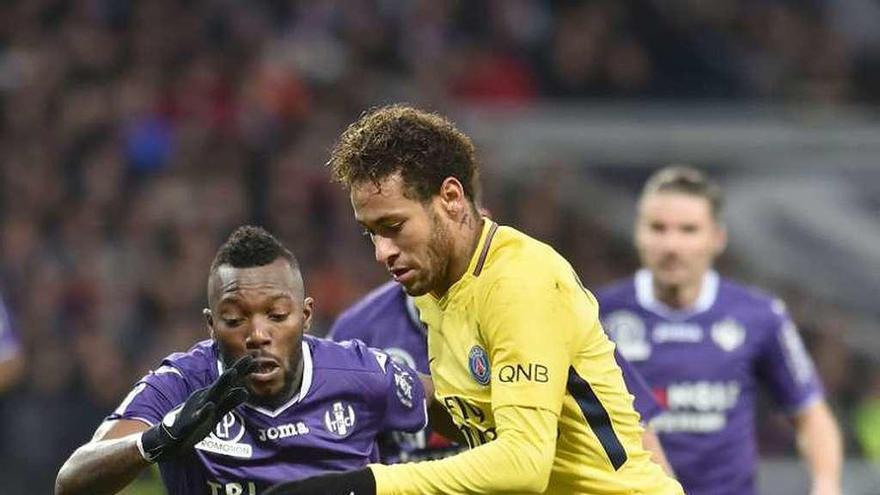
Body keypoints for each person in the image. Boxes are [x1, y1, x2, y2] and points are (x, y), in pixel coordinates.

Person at [265, 105, 683, 494]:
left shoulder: (519, 284)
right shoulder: (439, 286)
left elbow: (523, 464)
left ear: (450, 198)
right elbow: (479, 419)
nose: (382, 252)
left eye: (394, 226)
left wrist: (368, 485)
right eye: (371, 232)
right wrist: (384, 385)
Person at [55, 225, 428, 495]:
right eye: (234, 320)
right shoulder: (182, 383)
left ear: (306, 315)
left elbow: (459, 409)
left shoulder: (360, 372)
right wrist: (158, 439)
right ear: (211, 325)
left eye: (278, 315)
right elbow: (72, 480)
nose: (258, 335)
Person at [595, 166, 843, 495]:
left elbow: (810, 413)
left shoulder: (759, 315)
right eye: (658, 228)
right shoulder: (598, 313)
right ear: (638, 233)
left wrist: (827, 485)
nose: (672, 244)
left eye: (688, 230)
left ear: (717, 238)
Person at [329, 280, 673, 473]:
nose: (386, 249)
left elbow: (632, 430)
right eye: (378, 232)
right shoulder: (357, 331)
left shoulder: (543, 307)